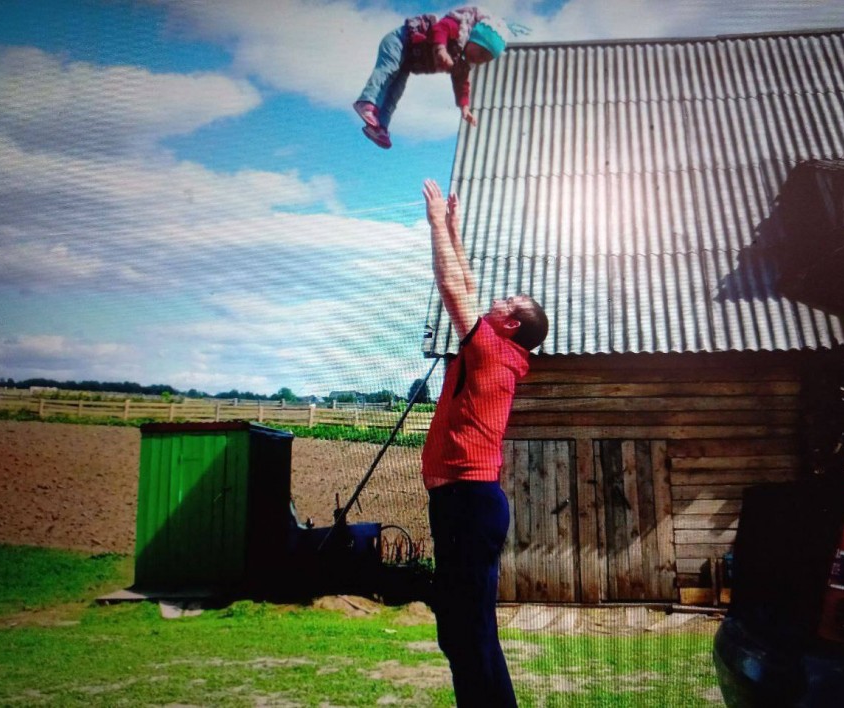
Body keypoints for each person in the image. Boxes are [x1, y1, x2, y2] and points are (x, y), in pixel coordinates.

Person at [420, 179, 548, 707]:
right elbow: (467, 283)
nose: (496, 297)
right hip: (457, 503)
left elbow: (456, 289)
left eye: (508, 299)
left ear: (511, 323)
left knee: (469, 632)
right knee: (458, 631)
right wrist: (454, 225)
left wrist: (432, 222)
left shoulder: (494, 353)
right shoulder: (495, 347)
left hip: (469, 505)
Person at [354, 7, 509, 149]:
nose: (480, 60)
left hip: (407, 61)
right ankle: (367, 101)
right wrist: (440, 48)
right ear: (475, 39)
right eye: (481, 53)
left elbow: (462, 84)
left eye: (485, 60)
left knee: (395, 92)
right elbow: (440, 28)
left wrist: (465, 107)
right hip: (400, 41)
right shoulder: (457, 30)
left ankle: (380, 126)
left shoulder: (462, 63)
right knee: (388, 70)